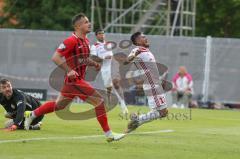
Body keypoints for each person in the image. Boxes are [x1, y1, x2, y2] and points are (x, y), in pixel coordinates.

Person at [24, 13, 125, 142]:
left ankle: (31, 114)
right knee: (100, 101)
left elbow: (83, 59)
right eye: (86, 22)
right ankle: (109, 134)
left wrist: (93, 63)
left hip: (72, 81)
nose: (89, 24)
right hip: (75, 81)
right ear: (78, 26)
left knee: (59, 106)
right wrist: (69, 70)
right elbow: (55, 57)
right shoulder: (70, 41)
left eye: (88, 22)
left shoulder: (86, 41)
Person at [124, 32, 168, 133]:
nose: (146, 38)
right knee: (161, 112)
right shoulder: (137, 49)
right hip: (152, 85)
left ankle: (137, 121)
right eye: (143, 37)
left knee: (164, 112)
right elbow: (127, 60)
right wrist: (134, 55)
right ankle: (137, 121)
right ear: (137, 41)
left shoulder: (146, 51)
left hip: (155, 84)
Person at [90, 29, 128, 116]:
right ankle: (108, 97)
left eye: (103, 34)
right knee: (108, 86)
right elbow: (93, 58)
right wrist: (103, 58)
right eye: (100, 34)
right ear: (96, 35)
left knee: (116, 83)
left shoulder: (108, 44)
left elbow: (110, 56)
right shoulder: (94, 46)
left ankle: (123, 106)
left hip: (112, 66)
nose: (102, 35)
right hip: (104, 68)